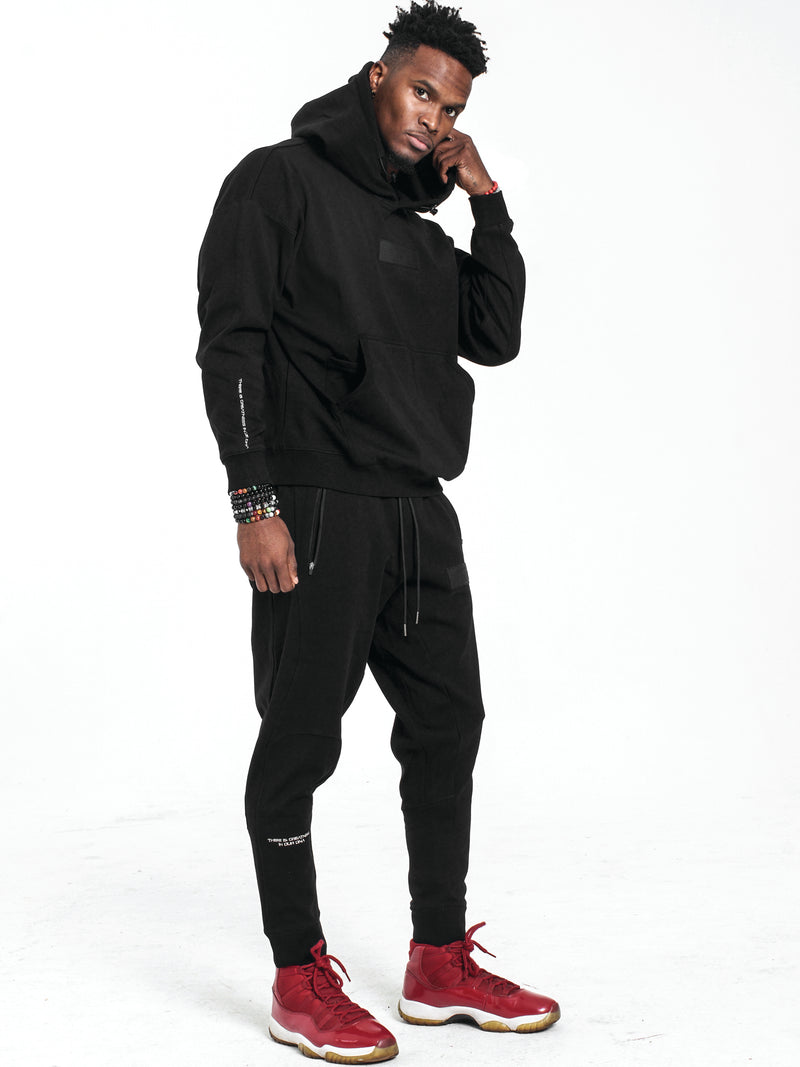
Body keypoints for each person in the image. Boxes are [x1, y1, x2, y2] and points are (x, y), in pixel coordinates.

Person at [196, 2, 559, 1061]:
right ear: (376, 77)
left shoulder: (421, 228)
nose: (430, 115)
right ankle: (296, 974)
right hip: (315, 504)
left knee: (448, 723)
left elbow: (495, 335)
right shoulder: (276, 182)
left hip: (418, 508)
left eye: (449, 106)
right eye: (419, 90)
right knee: (299, 739)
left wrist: (486, 202)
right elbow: (230, 343)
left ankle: (437, 958)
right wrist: (253, 501)